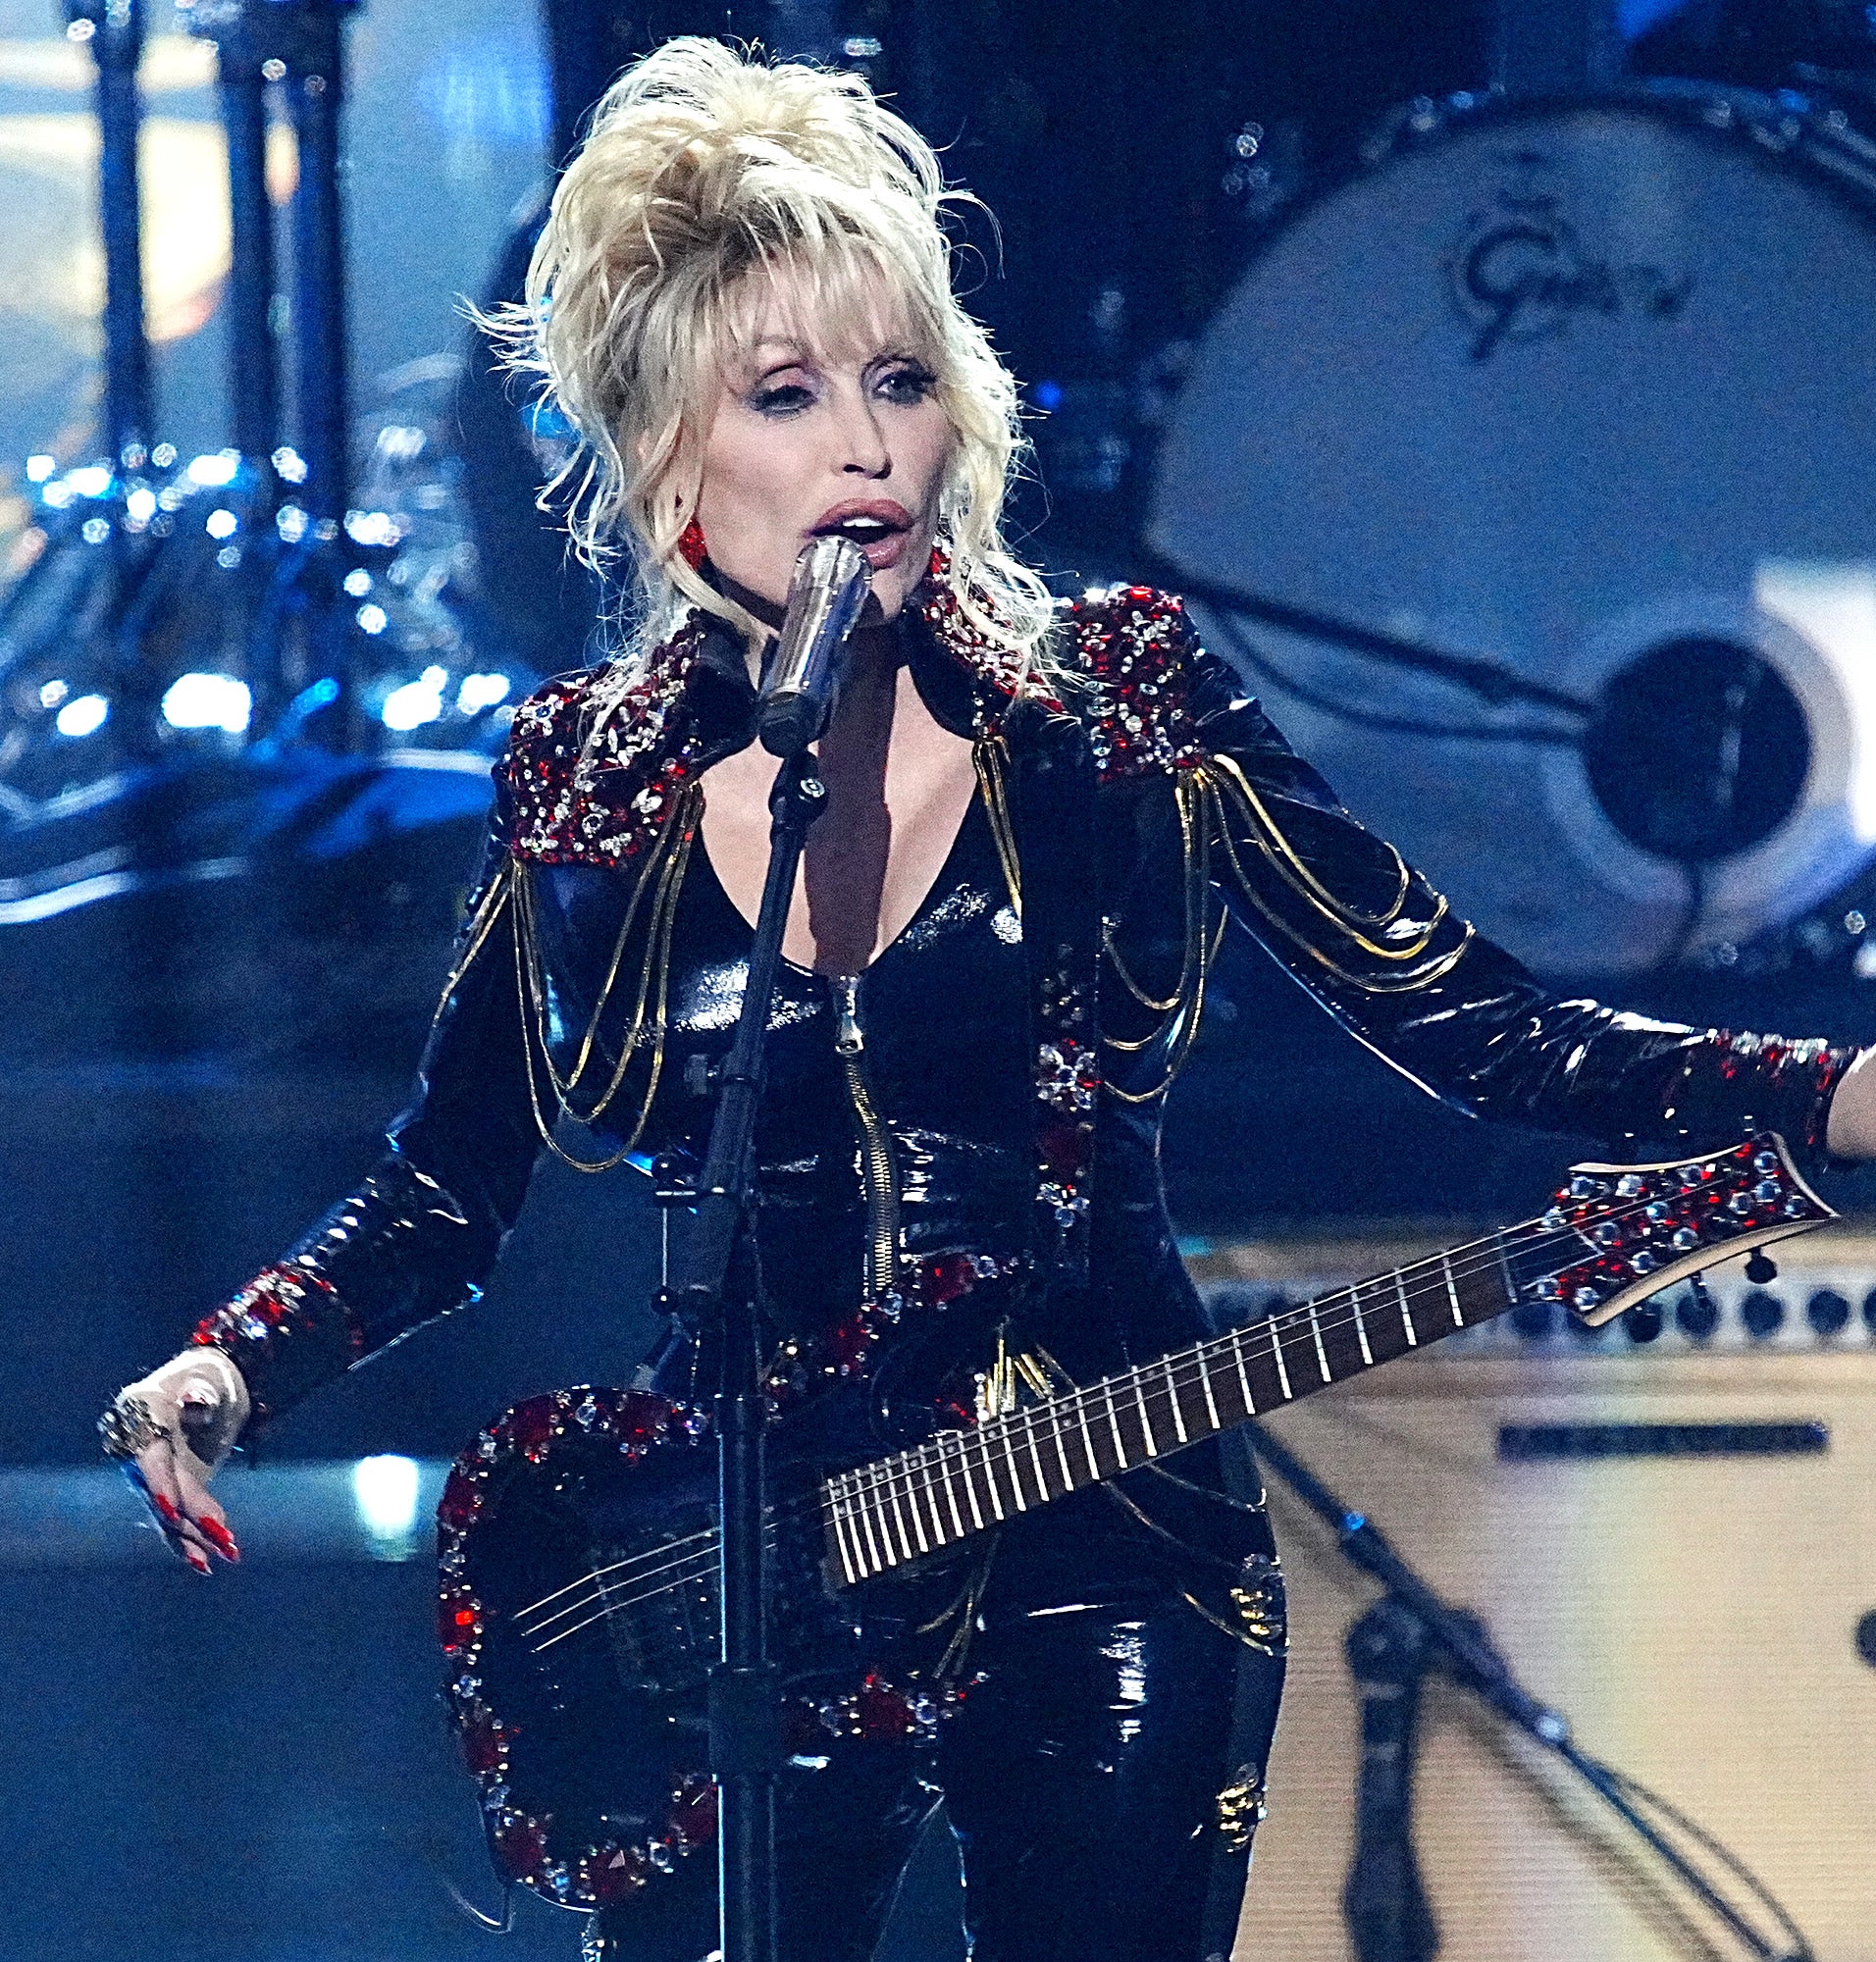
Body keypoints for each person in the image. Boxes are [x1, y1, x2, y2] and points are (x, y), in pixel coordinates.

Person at [99, 37, 1876, 1962]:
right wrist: (234, 1361)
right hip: (743, 1579)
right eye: (783, 393)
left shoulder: (1117, 705)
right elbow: (449, 1188)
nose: (864, 443)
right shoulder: (582, 784)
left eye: (898, 381)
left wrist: (1826, 1090)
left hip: (1104, 1543)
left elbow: (1475, 1025)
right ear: (666, 460)